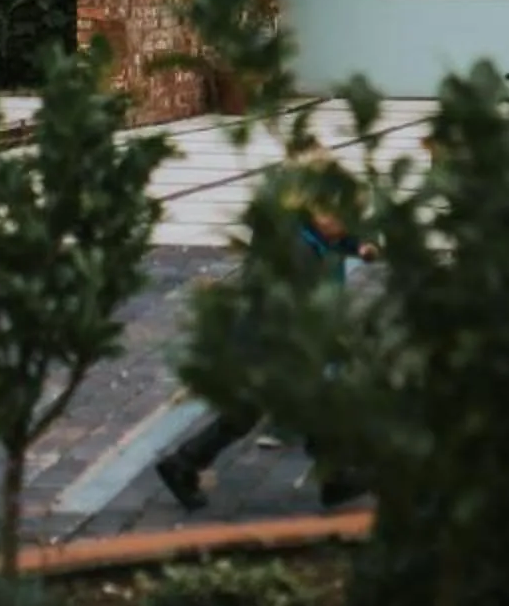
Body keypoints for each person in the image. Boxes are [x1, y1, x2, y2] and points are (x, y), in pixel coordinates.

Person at [157, 145, 369, 511]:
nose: (344, 222)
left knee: (248, 412)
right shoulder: (286, 246)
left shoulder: (310, 230)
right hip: (271, 341)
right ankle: (333, 478)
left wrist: (358, 245)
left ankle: (184, 462)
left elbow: (335, 236)